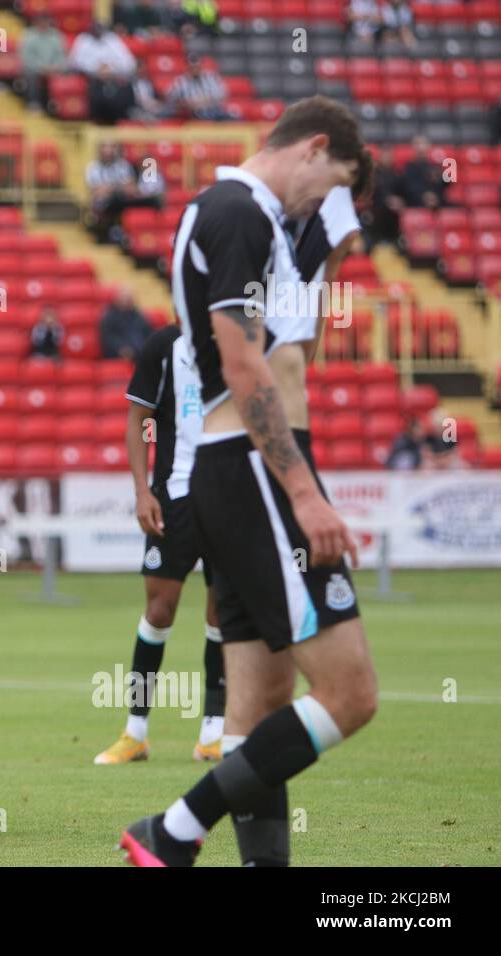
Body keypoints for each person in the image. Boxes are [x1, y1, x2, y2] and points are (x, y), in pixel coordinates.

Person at [120, 96, 376, 868]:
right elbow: (243, 364)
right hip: (257, 468)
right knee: (351, 695)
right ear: (314, 148)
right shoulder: (240, 212)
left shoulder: (243, 217)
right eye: (336, 183)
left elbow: (280, 352)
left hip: (234, 470)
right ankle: (172, 829)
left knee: (256, 707)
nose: (326, 203)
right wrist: (303, 491)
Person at [96, 325, 225, 766]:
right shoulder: (163, 345)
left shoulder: (239, 339)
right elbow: (138, 420)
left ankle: (214, 732)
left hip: (228, 496)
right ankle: (136, 732)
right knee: (158, 611)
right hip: (174, 498)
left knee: (221, 612)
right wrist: (142, 492)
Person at [20, 14, 70, 110]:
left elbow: (62, 55)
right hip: (35, 68)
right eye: (41, 21)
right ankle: (33, 103)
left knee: (69, 73)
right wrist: (42, 67)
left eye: (46, 21)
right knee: (30, 75)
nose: (43, 24)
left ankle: (60, 106)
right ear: (35, 22)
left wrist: (56, 66)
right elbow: (26, 58)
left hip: (54, 67)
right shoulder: (28, 35)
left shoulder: (56, 35)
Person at [167, 55, 230, 121]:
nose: (195, 69)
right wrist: (187, 103)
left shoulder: (212, 77)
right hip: (192, 114)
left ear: (201, 66)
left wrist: (201, 101)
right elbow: (170, 98)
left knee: (232, 119)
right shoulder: (180, 81)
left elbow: (222, 95)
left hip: (214, 111)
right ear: (187, 67)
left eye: (197, 66)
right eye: (192, 67)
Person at [66, 22, 136, 80]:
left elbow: (129, 63)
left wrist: (110, 68)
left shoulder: (112, 39)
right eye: (95, 29)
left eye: (99, 29)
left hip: (114, 77)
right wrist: (96, 68)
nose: (97, 31)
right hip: (90, 78)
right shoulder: (84, 39)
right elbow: (73, 62)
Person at [100, 287, 154, 360]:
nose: (127, 302)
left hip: (140, 350)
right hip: (119, 353)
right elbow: (108, 338)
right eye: (124, 299)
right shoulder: (110, 316)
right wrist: (121, 348)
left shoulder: (139, 315)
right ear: (117, 300)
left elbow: (148, 332)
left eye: (129, 299)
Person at [396, 135, 446, 209]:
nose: (420, 147)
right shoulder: (409, 168)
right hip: (416, 203)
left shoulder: (436, 167)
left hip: (437, 202)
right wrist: (424, 196)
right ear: (413, 147)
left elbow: (443, 186)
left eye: (423, 143)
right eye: (417, 144)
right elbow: (409, 187)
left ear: (429, 146)